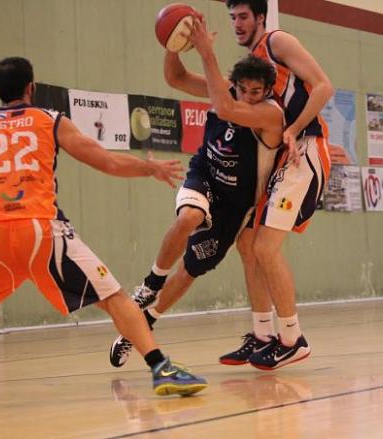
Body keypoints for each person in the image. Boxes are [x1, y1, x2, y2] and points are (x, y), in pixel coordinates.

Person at [0, 57, 207, 396]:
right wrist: (150, 169)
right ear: (31, 88)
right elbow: (108, 162)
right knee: (115, 298)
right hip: (41, 229)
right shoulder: (50, 121)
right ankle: (161, 367)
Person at [107, 28, 284, 366]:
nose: (247, 96)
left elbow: (229, 109)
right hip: (204, 174)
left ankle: (143, 324)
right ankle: (149, 284)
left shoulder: (269, 114)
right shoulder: (225, 92)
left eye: (255, 91)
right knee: (188, 217)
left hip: (236, 204)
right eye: (242, 89)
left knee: (190, 269)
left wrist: (205, 51)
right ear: (235, 84)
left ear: (267, 91)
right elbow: (175, 76)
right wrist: (172, 45)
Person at [222, 0, 333, 369]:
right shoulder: (250, 66)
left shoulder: (276, 42)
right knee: (248, 243)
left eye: (242, 17)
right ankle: (263, 333)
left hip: (305, 150)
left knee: (265, 247)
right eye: (232, 17)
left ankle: (292, 338)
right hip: (287, 154)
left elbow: (323, 87)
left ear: (259, 17)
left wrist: (293, 128)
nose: (237, 24)